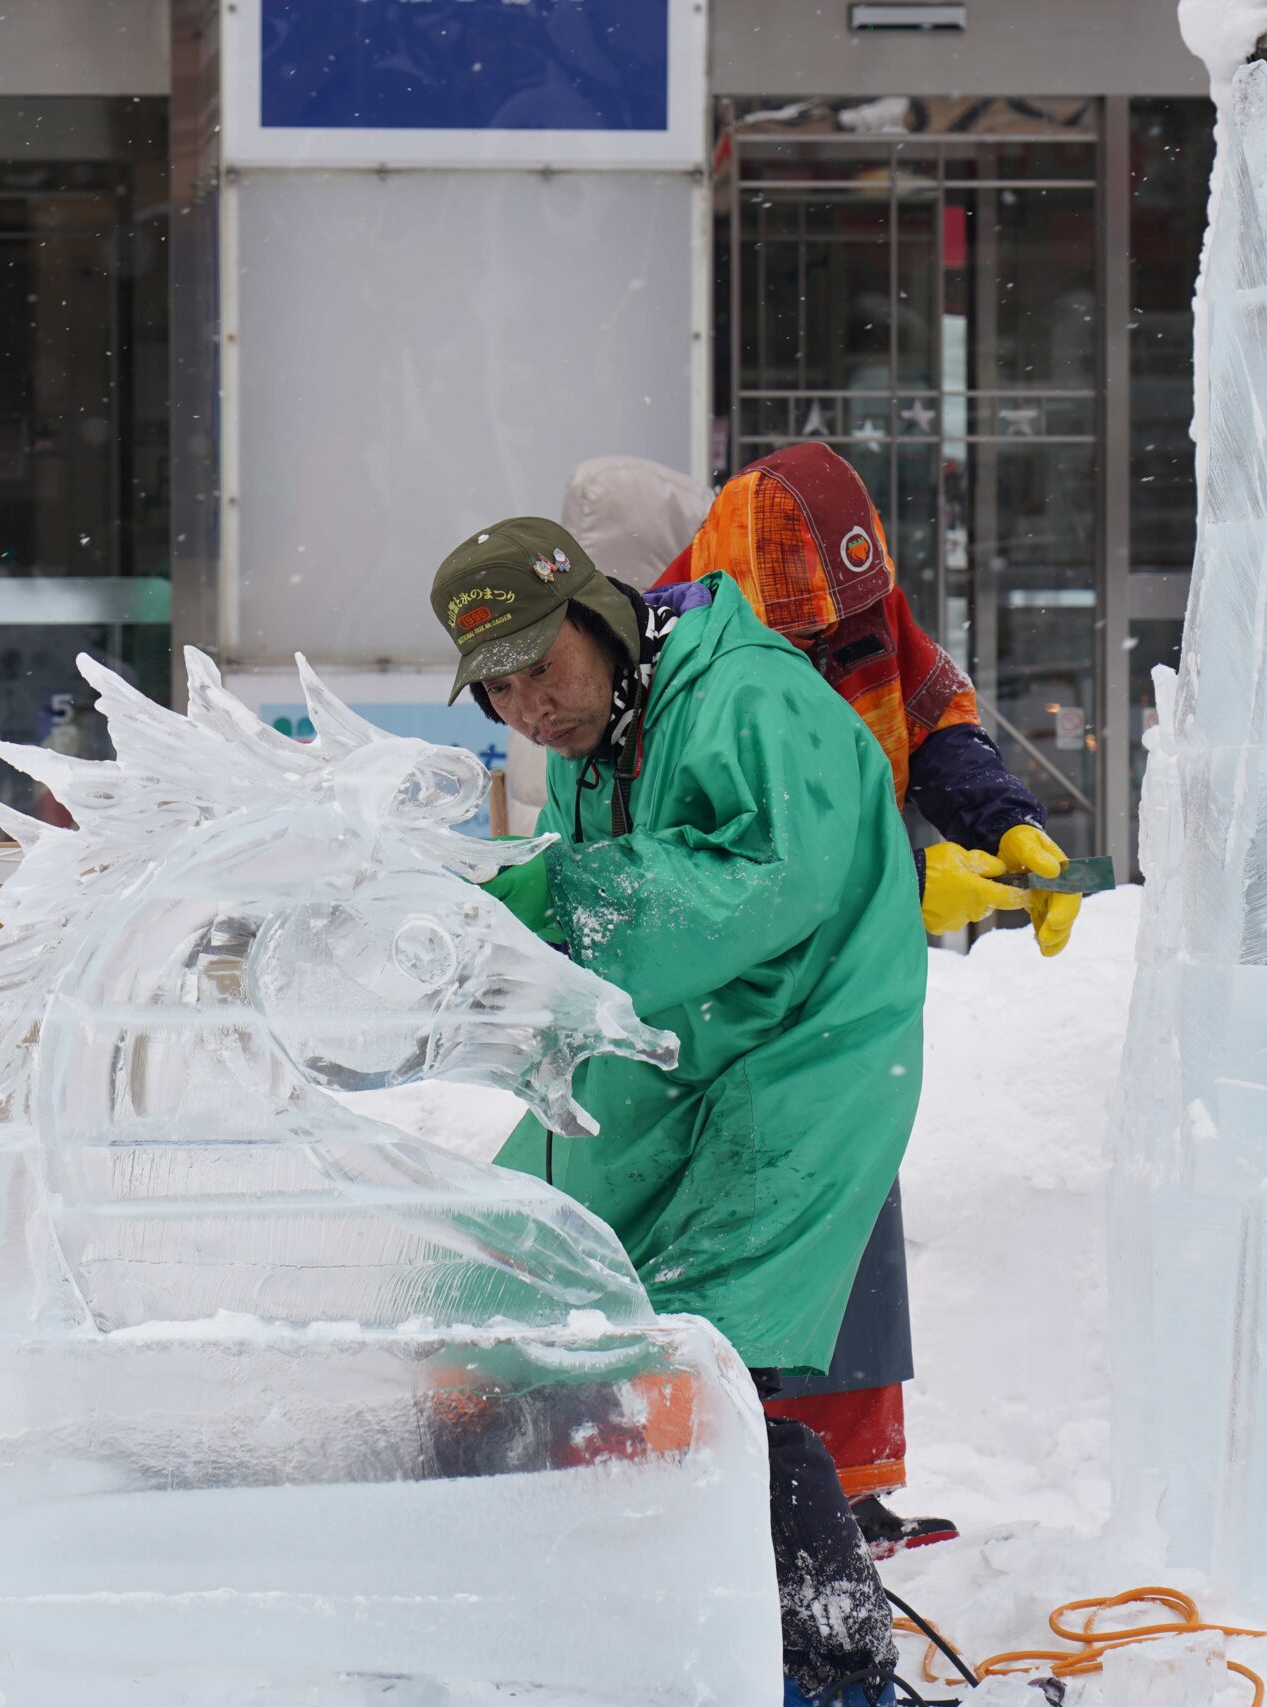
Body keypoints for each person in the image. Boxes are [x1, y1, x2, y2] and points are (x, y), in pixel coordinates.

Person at [432, 516, 924, 1706]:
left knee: (700, 1365)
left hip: (801, 1051)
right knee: (509, 1283)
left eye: (541, 671)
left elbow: (774, 879)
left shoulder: (747, 696)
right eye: (496, 692)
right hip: (680, 1041)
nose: (528, 712)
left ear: (599, 621)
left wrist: (564, 897)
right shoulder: (600, 727)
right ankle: (595, 1610)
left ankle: (828, 1660)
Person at [562, 446, 1080, 1557]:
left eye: (839, 631)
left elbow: (925, 705)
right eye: (803, 636)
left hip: (839, 992)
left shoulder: (844, 607)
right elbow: (717, 860)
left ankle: (835, 1489)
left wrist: (996, 817)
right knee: (726, 1236)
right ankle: (722, 1474)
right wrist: (893, 876)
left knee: (846, 1226)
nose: (827, 652)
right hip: (725, 1007)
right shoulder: (670, 669)